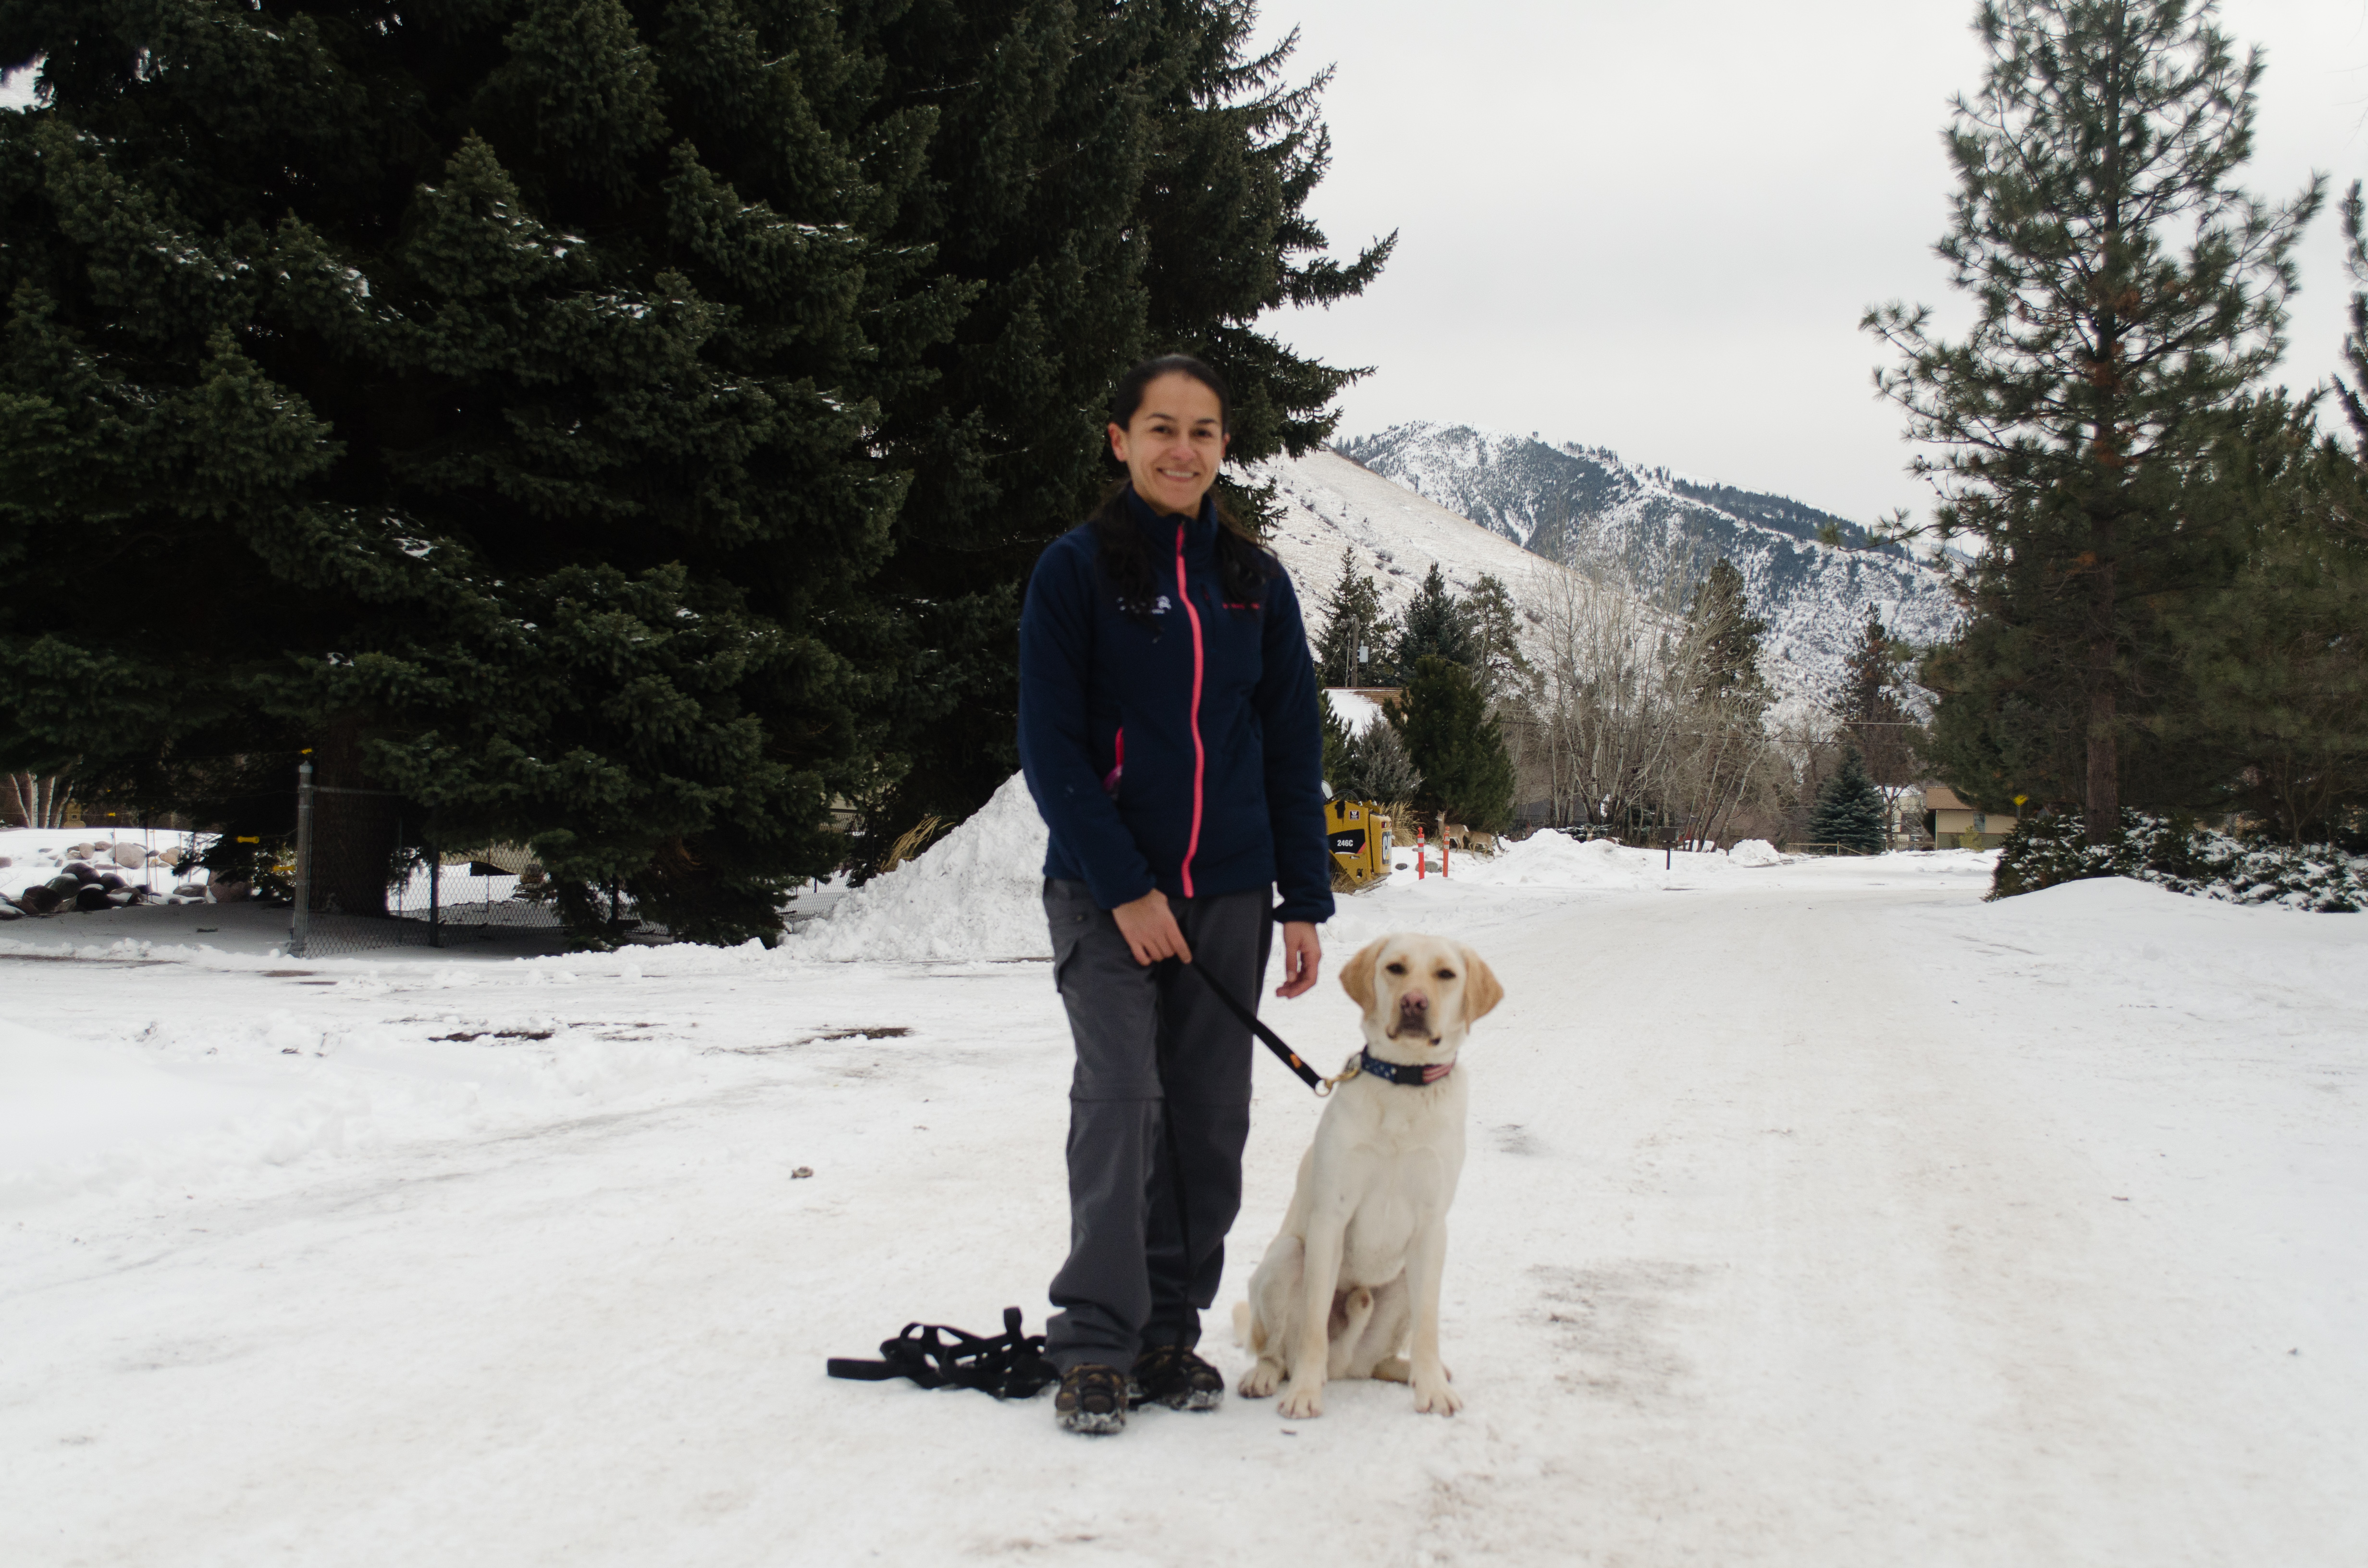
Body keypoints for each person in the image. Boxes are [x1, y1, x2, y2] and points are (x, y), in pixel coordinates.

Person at [1017, 354, 1333, 1435]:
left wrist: (1304, 898)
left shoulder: (1253, 582)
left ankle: (1166, 1332)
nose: (1181, 449)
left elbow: (1291, 744)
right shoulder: (1074, 571)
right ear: (1119, 439)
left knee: (1208, 1117)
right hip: (1108, 897)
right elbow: (1050, 749)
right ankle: (1096, 1347)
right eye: (1159, 427)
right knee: (1123, 1103)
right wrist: (1127, 889)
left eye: (1202, 431)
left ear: (1224, 449)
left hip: (1233, 894)